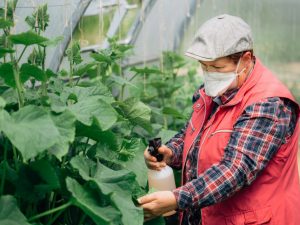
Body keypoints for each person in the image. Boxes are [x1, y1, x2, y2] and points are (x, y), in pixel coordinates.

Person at [138, 14, 300, 225]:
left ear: (246, 59)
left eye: (217, 68)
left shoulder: (268, 104)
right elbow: (195, 132)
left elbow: (236, 169)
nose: (209, 74)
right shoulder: (216, 90)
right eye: (204, 66)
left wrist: (176, 199)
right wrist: (171, 152)